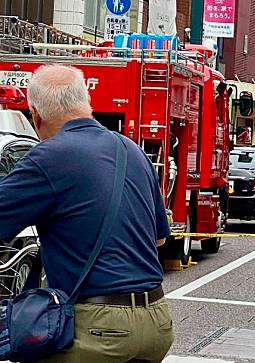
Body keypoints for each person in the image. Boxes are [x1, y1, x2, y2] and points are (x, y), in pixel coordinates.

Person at [0, 65, 174, 362]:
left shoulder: (48, 157)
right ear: (86, 102)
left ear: (35, 115)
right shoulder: (132, 150)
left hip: (100, 329)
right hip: (157, 321)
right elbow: (159, 239)